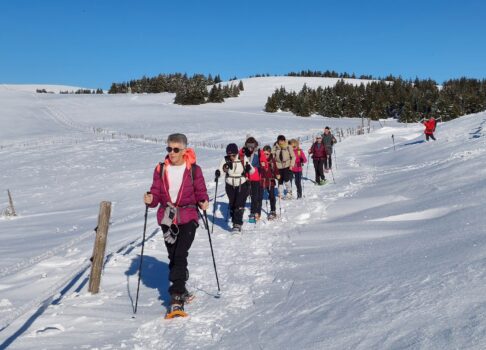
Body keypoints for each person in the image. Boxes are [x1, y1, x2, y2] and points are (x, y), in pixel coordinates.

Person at [144, 133, 209, 316]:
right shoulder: (161, 169)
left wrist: (203, 201)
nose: (171, 153)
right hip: (167, 217)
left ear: (184, 150)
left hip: (188, 216)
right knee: (173, 256)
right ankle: (182, 282)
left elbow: (200, 191)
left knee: (180, 254)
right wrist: (150, 199)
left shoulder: (194, 170)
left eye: (175, 149)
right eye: (169, 149)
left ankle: (176, 297)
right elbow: (155, 195)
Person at [215, 143, 252, 232]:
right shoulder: (225, 159)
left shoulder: (243, 158)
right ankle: (234, 216)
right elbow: (221, 170)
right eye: (229, 155)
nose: (231, 157)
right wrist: (218, 173)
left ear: (237, 153)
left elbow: (252, 170)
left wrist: (248, 168)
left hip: (241, 184)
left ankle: (237, 224)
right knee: (233, 204)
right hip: (230, 185)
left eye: (233, 155)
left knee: (239, 204)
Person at [239, 137, 267, 222]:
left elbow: (265, 164)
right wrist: (242, 152)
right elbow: (239, 157)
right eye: (248, 145)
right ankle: (239, 211)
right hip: (246, 177)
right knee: (245, 195)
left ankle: (255, 212)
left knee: (255, 196)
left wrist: (263, 165)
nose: (250, 147)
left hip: (256, 177)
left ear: (255, 145)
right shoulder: (244, 150)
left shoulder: (259, 152)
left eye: (252, 145)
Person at [272, 135, 295, 199]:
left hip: (286, 165)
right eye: (279, 141)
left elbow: (293, 156)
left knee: (287, 179)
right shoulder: (275, 147)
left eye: (282, 140)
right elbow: (272, 155)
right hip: (278, 166)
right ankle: (280, 193)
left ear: (284, 140)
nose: (281, 142)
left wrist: (291, 165)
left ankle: (289, 192)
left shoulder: (288, 146)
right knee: (280, 180)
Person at [260, 145, 279, 219]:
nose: (265, 155)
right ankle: (257, 211)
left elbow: (275, 169)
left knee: (271, 196)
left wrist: (277, 174)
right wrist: (262, 166)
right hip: (262, 180)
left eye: (267, 154)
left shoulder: (272, 160)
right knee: (259, 197)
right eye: (264, 154)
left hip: (270, 181)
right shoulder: (260, 160)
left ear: (270, 153)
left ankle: (273, 210)